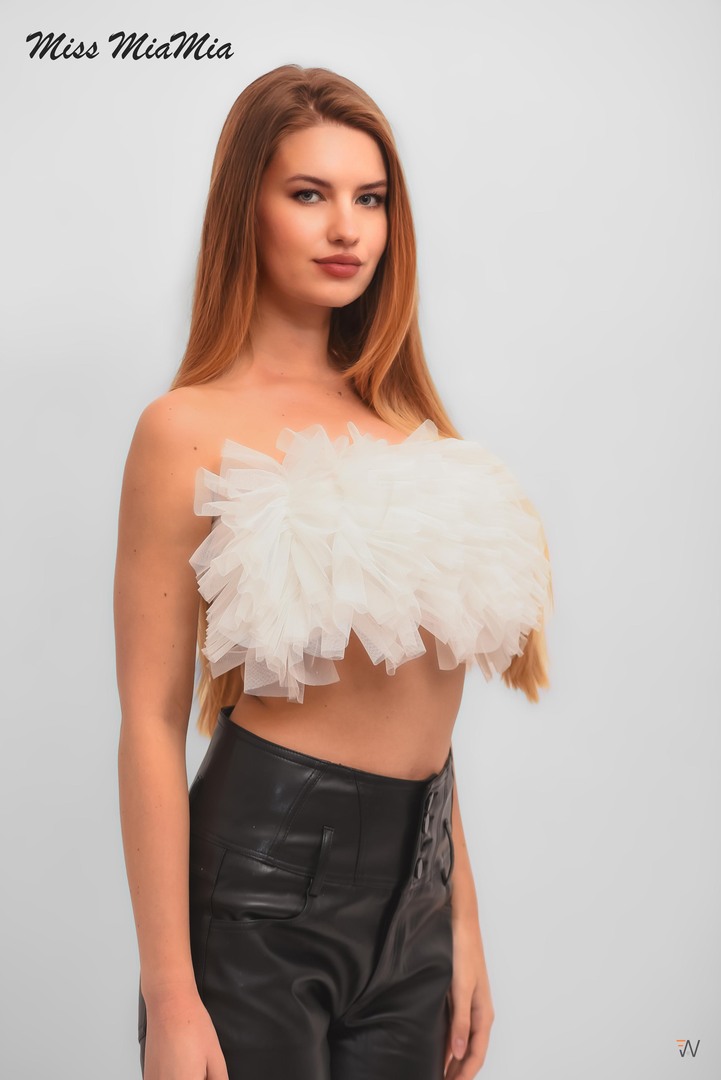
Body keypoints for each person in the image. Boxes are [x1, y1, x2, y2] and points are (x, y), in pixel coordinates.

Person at [114, 64, 553, 1080]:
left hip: (416, 903)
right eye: (309, 193)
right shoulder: (184, 430)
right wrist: (170, 996)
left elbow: (420, 701)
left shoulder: (407, 423)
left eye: (371, 198)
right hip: (258, 902)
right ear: (248, 209)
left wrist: (459, 919)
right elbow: (148, 721)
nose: (346, 228)